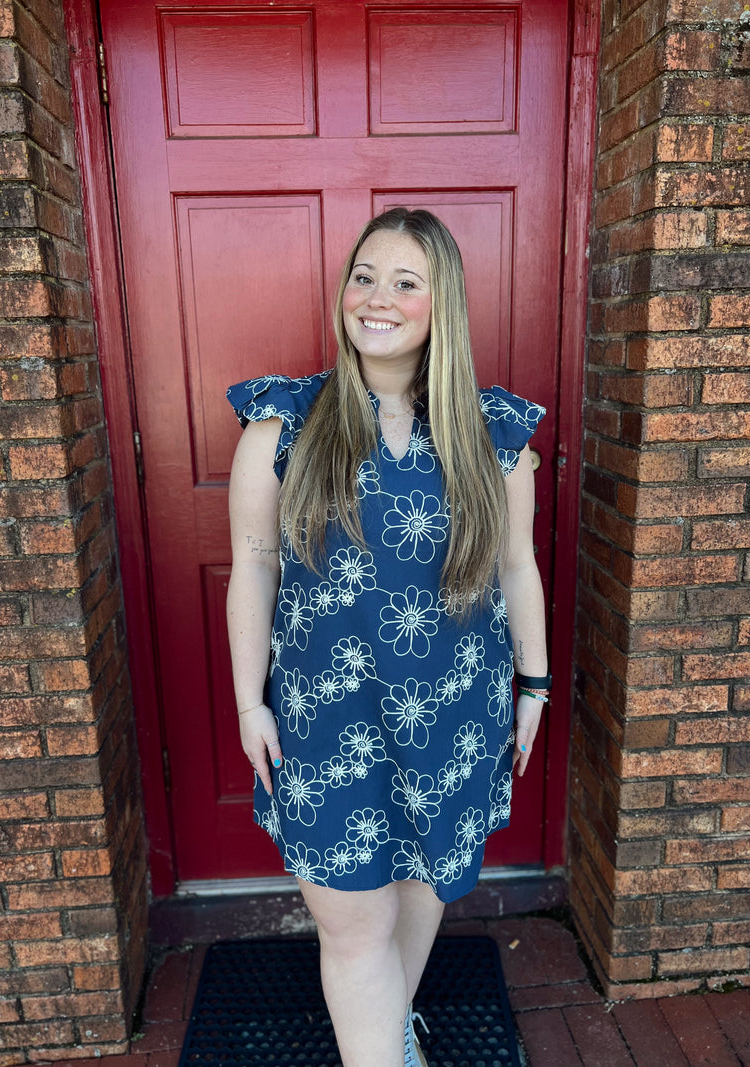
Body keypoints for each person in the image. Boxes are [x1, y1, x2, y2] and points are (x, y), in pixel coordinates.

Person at [226, 207, 549, 1067]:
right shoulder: (286, 423)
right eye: (364, 275)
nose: (377, 297)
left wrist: (537, 685)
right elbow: (253, 566)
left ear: (442, 304)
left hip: (454, 719)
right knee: (354, 929)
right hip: (330, 729)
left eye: (407, 282)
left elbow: (516, 567)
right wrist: (247, 700)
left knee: (422, 891)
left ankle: (391, 1030)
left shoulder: (493, 435)